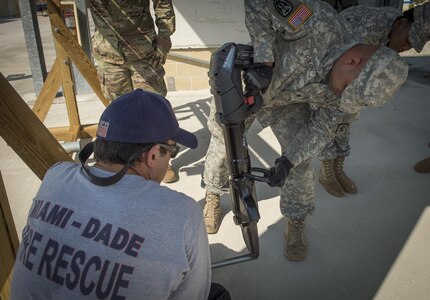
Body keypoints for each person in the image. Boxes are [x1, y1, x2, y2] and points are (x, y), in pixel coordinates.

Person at [201, 0, 408, 263]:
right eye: (344, 89)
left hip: (288, 102)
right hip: (249, 83)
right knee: (222, 145)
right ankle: (213, 195)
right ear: (353, 61)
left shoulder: (349, 93)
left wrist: (288, 161)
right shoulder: (315, 20)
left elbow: (321, 127)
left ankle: (296, 220)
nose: (339, 96)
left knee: (299, 162)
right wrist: (264, 58)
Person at [10, 89, 230, 299]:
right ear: (152, 156)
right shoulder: (183, 214)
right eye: (172, 152)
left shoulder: (56, 175)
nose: (170, 160)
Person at [318, 2, 430, 197]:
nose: (406, 46)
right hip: (333, 76)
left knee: (346, 120)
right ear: (401, 24)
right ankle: (326, 171)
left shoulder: (391, 32)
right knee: (329, 120)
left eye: (412, 45)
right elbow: (337, 61)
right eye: (408, 39)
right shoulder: (367, 25)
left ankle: (338, 168)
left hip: (353, 82)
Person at [89, 0, 178, 183]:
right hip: (109, 53)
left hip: (143, 51)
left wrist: (164, 39)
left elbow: (162, 3)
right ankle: (126, 161)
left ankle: (161, 159)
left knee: (153, 110)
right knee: (120, 113)